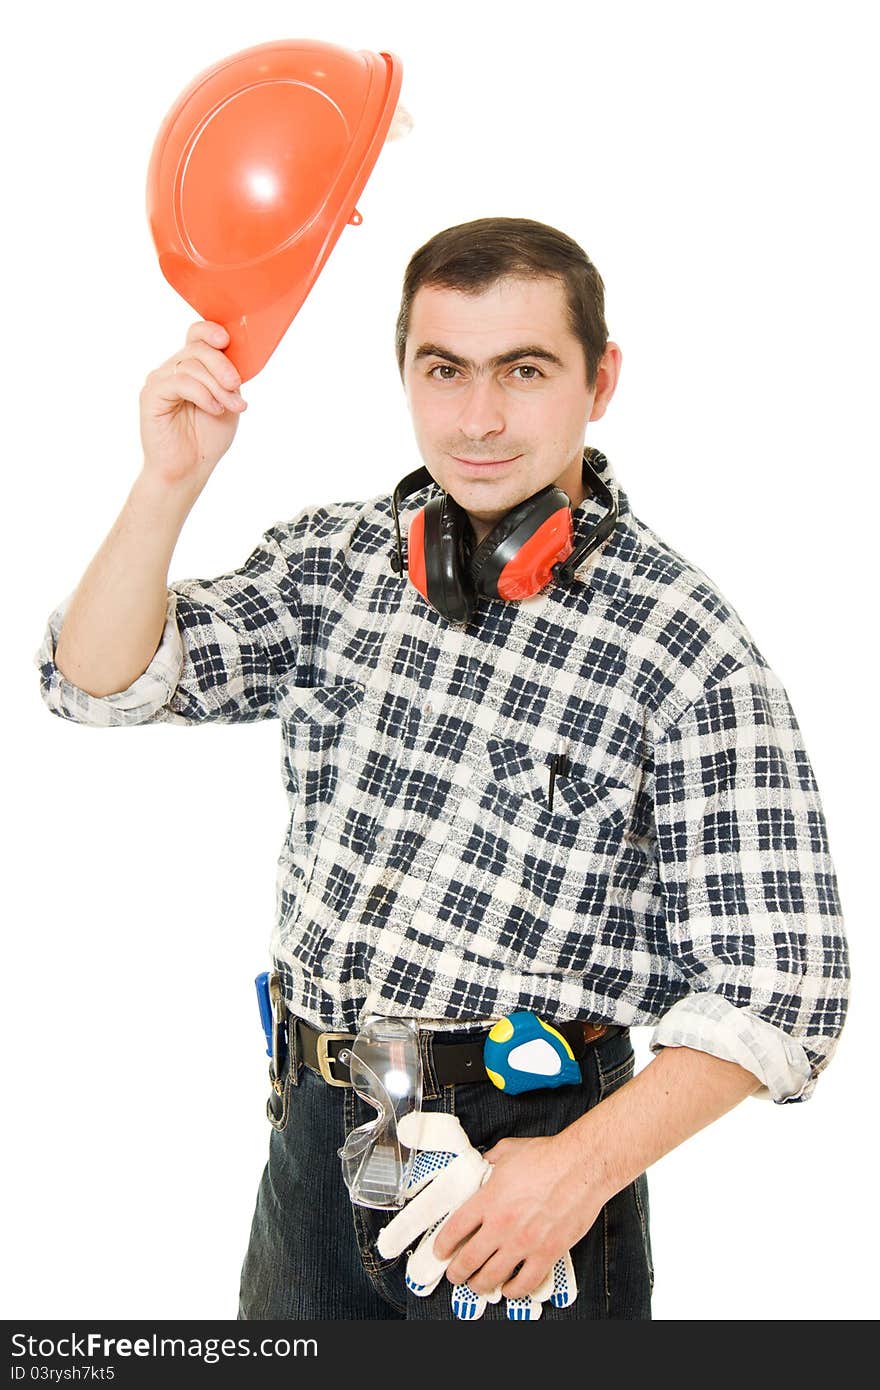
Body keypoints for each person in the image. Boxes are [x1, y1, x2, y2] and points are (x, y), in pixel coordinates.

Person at [34, 217, 849, 1321]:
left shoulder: (683, 643)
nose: (477, 418)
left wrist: (574, 1173)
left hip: (521, 1175)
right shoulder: (337, 563)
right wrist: (168, 480)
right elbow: (98, 679)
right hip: (313, 1153)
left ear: (599, 379)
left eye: (524, 370)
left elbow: (782, 991)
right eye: (444, 370)